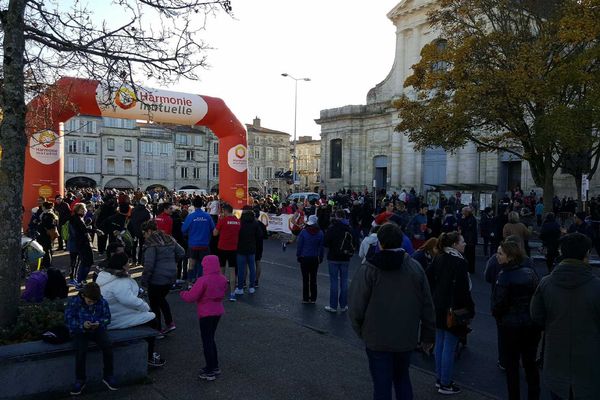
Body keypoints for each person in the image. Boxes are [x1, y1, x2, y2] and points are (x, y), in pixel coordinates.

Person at [349, 222, 435, 400]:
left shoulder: (369, 269)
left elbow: (356, 305)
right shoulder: (415, 268)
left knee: (381, 385)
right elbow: (427, 306)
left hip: (376, 338)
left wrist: (361, 331)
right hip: (405, 336)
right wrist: (427, 336)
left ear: (380, 242)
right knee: (402, 379)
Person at [531, 233, 600, 400]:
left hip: (555, 362)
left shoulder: (546, 283)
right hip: (590, 364)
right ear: (586, 255)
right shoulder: (596, 286)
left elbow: (536, 316)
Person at [96, 252, 166, 368]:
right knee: (152, 318)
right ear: (123, 266)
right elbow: (128, 300)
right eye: (127, 262)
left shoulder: (104, 276)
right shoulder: (119, 282)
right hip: (115, 318)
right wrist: (145, 307)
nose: (129, 264)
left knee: (148, 318)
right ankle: (149, 355)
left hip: (112, 314)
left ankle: (147, 350)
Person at [426, 232, 475, 395]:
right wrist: (470, 308)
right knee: (449, 345)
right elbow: (463, 290)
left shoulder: (439, 257)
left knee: (440, 342)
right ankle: (445, 382)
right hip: (453, 308)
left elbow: (429, 276)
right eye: (462, 241)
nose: (465, 244)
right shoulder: (459, 262)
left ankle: (440, 378)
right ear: (454, 244)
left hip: (439, 305)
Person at [492, 240, 541, 400]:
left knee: (512, 367)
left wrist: (499, 317)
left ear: (510, 256)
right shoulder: (530, 273)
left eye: (500, 253)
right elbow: (537, 297)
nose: (497, 256)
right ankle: (534, 395)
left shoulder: (504, 277)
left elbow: (499, 304)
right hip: (530, 324)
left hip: (511, 326)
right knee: (530, 364)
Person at [180, 255, 228, 381]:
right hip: (218, 311)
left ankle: (210, 369)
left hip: (206, 312)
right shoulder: (222, 279)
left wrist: (183, 293)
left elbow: (191, 297)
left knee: (207, 341)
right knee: (211, 339)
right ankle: (215, 366)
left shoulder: (203, 280)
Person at [65, 282, 116, 396]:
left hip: (97, 328)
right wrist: (82, 325)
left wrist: (99, 323)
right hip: (80, 330)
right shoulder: (75, 302)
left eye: (94, 302)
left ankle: (108, 375)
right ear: (83, 296)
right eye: (89, 302)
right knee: (80, 350)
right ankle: (80, 379)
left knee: (107, 345)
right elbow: (68, 320)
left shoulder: (101, 301)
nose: (92, 304)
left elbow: (107, 318)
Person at [141, 220, 185, 335]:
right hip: (171, 275)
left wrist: (144, 281)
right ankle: (169, 323)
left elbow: (149, 265)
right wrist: (172, 263)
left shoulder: (151, 243)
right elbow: (181, 252)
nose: (144, 236)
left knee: (154, 302)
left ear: (149, 231)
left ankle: (157, 330)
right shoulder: (169, 238)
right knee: (161, 299)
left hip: (157, 277)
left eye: (144, 233)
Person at [323, 209, 354, 312]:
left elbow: (326, 243)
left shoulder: (332, 228)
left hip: (333, 257)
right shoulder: (348, 228)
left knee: (334, 281)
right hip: (345, 257)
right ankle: (344, 305)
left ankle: (333, 306)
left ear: (336, 216)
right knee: (344, 281)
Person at [182, 196, 215, 282]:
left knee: (191, 265)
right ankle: (201, 283)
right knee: (204, 265)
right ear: (202, 204)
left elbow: (183, 229)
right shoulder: (207, 216)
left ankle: (190, 284)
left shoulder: (191, 216)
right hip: (204, 245)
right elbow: (214, 230)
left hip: (193, 244)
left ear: (193, 204)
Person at [213, 203, 241, 302]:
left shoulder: (222, 220)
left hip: (222, 248)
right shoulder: (238, 221)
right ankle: (232, 294)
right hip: (233, 248)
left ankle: (220, 290)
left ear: (225, 211)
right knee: (232, 271)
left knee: (222, 270)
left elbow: (215, 233)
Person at [296, 215, 325, 304]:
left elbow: (299, 245)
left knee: (305, 279)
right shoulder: (320, 233)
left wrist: (298, 255)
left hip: (304, 257)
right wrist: (321, 257)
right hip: (314, 258)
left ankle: (305, 298)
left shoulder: (304, 232)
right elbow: (321, 247)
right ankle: (313, 298)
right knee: (313, 278)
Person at [235, 209, 263, 296]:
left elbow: (236, 235)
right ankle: (252, 287)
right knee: (252, 268)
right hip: (252, 249)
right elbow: (259, 236)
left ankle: (240, 287)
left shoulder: (239, 224)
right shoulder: (255, 224)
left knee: (241, 269)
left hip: (241, 249)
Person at [70, 203, 97, 288]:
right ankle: (80, 281)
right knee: (87, 262)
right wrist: (96, 231)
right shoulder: (76, 218)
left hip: (81, 243)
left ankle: (80, 281)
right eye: (81, 209)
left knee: (85, 262)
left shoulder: (78, 218)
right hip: (82, 243)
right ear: (77, 210)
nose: (84, 210)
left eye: (84, 209)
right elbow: (83, 229)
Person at [128, 197, 151, 265]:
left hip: (133, 230)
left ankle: (134, 261)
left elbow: (130, 219)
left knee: (134, 246)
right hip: (142, 232)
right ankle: (140, 261)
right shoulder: (146, 211)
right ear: (146, 203)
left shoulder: (133, 209)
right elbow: (148, 222)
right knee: (141, 246)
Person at [37, 201, 59, 268]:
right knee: (48, 249)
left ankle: (47, 265)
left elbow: (48, 225)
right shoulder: (52, 213)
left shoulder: (47, 215)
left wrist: (40, 224)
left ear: (44, 207)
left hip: (45, 235)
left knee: (46, 250)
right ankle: (46, 264)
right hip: (49, 234)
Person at [458, 206, 477, 274]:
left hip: (469, 240)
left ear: (466, 212)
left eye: (463, 211)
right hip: (468, 239)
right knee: (468, 255)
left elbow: (466, 227)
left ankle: (470, 269)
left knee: (469, 255)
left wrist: (462, 220)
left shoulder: (471, 219)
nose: (462, 213)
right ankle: (469, 268)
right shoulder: (468, 218)